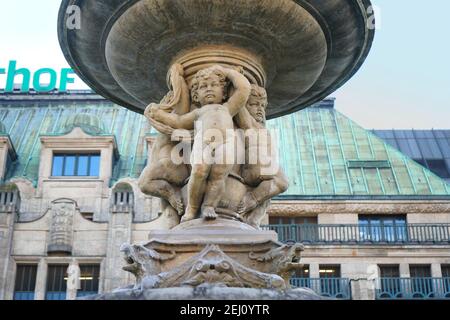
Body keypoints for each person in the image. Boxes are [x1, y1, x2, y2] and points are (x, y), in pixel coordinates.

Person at [148, 65, 251, 222]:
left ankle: (209, 205)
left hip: (226, 143)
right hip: (204, 142)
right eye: (203, 87)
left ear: (224, 92)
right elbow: (178, 121)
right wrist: (159, 114)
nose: (209, 89)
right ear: (195, 96)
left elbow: (244, 89)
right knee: (198, 171)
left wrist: (227, 71)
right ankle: (193, 207)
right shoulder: (198, 112)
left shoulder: (228, 108)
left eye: (214, 85)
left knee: (219, 176)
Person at [234, 85, 289, 226]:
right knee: (282, 182)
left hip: (262, 169)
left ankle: (252, 221)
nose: (260, 110)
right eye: (253, 104)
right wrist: (236, 86)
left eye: (262, 106)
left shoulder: (261, 127)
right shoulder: (249, 123)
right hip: (252, 169)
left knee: (267, 197)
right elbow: (238, 103)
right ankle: (251, 198)